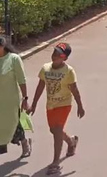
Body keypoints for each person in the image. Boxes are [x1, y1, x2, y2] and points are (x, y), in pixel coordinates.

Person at [29, 43, 85, 175]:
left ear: (64, 58)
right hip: (51, 105)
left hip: (64, 104)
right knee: (54, 130)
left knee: (57, 130)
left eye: (59, 54)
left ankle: (55, 162)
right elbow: (40, 87)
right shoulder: (46, 69)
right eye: (54, 52)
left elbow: (75, 90)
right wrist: (34, 104)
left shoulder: (68, 71)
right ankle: (71, 141)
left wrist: (80, 106)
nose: (55, 56)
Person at [0, 36, 31, 158]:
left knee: (13, 125)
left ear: (3, 46)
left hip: (10, 101)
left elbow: (22, 80)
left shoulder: (13, 59)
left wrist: (25, 98)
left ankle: (24, 143)